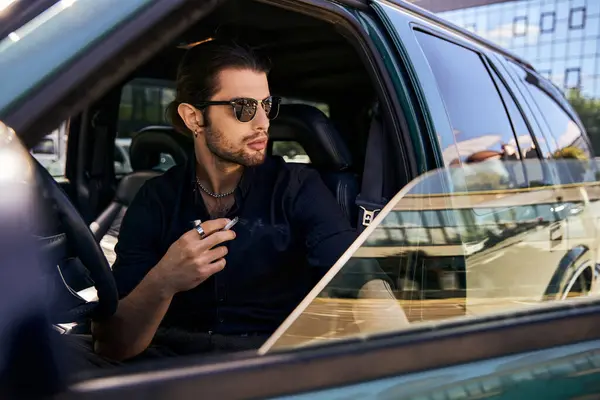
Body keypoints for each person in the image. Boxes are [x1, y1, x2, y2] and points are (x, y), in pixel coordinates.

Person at [92, 39, 404, 362]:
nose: (263, 123)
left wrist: (403, 361)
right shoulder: (154, 201)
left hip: (267, 368)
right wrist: (164, 280)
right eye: (244, 108)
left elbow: (362, 281)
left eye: (266, 106)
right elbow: (113, 345)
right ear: (193, 118)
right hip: (168, 368)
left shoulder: (297, 189)